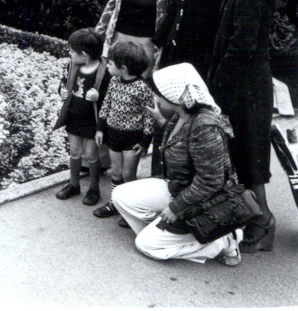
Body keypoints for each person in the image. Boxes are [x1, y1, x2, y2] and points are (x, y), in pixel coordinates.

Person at [112, 63, 242, 266]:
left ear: (175, 97)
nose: (156, 98)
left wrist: (175, 208)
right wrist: (160, 121)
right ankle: (175, 234)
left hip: (207, 203)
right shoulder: (181, 116)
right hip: (178, 188)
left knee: (145, 246)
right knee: (120, 195)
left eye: (160, 94)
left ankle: (223, 241)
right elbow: (182, 141)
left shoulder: (205, 127)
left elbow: (211, 182)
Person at [208, 0, 285, 253]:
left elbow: (242, 46)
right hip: (248, 81)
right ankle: (254, 220)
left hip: (245, 85)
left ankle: (262, 221)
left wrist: (218, 85)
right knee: (246, 152)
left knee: (248, 153)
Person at [92, 41, 155, 225]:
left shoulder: (143, 88)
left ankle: (130, 210)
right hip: (113, 135)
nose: (107, 65)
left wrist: (145, 141)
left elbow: (149, 116)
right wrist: (100, 128)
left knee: (129, 175)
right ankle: (114, 203)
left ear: (123, 68)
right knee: (116, 173)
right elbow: (106, 105)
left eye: (110, 63)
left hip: (132, 139)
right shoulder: (113, 81)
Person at [54, 29, 111, 205]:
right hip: (73, 117)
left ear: (84, 55)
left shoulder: (105, 71)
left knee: (92, 156)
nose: (69, 54)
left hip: (92, 122)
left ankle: (94, 188)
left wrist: (98, 97)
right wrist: (62, 91)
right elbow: (65, 82)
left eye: (72, 51)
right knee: (75, 152)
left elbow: (109, 96)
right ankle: (74, 184)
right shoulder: (72, 66)